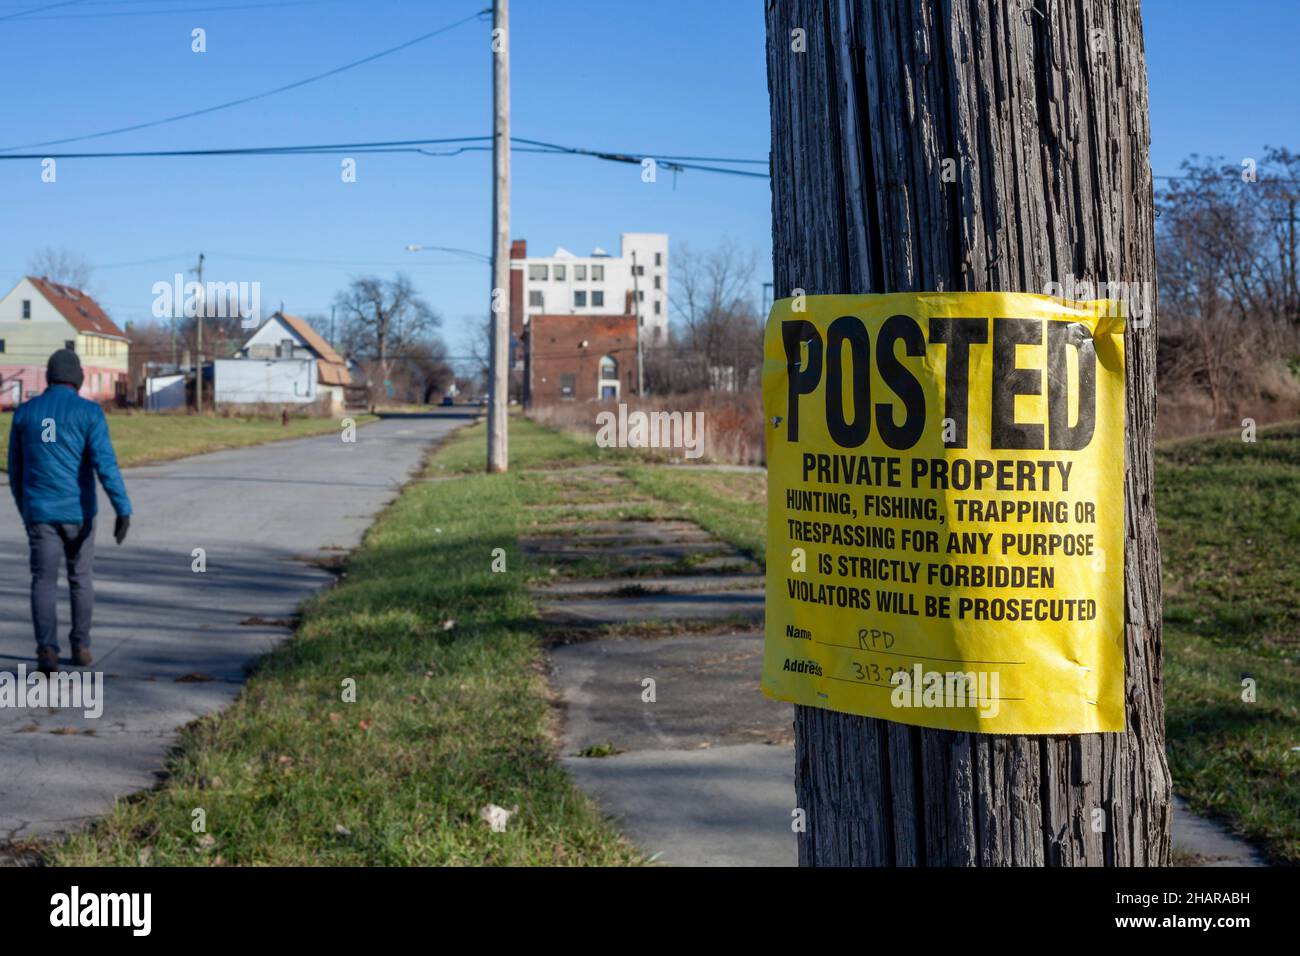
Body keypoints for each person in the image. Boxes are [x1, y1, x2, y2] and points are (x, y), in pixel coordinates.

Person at [7, 349, 132, 674]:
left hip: (41, 513)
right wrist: (123, 508)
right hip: (79, 513)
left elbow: (15, 471)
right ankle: (81, 646)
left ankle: (46, 651)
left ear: (49, 376)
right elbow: (105, 464)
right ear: (78, 377)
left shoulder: (25, 413)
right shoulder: (89, 413)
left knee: (43, 581)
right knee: (80, 579)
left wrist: (27, 511)